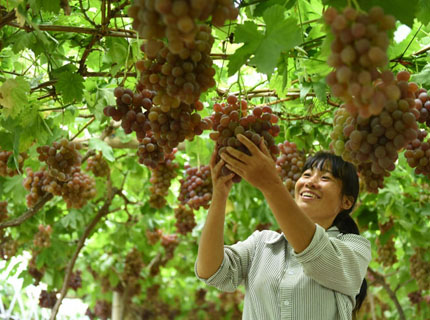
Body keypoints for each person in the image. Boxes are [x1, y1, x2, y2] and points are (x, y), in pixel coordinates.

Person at [195, 133, 371, 320]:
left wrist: (270, 184)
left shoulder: (355, 248)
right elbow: (211, 271)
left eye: (325, 178)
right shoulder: (261, 243)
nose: (310, 182)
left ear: (346, 202)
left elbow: (316, 254)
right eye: (306, 175)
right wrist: (220, 194)